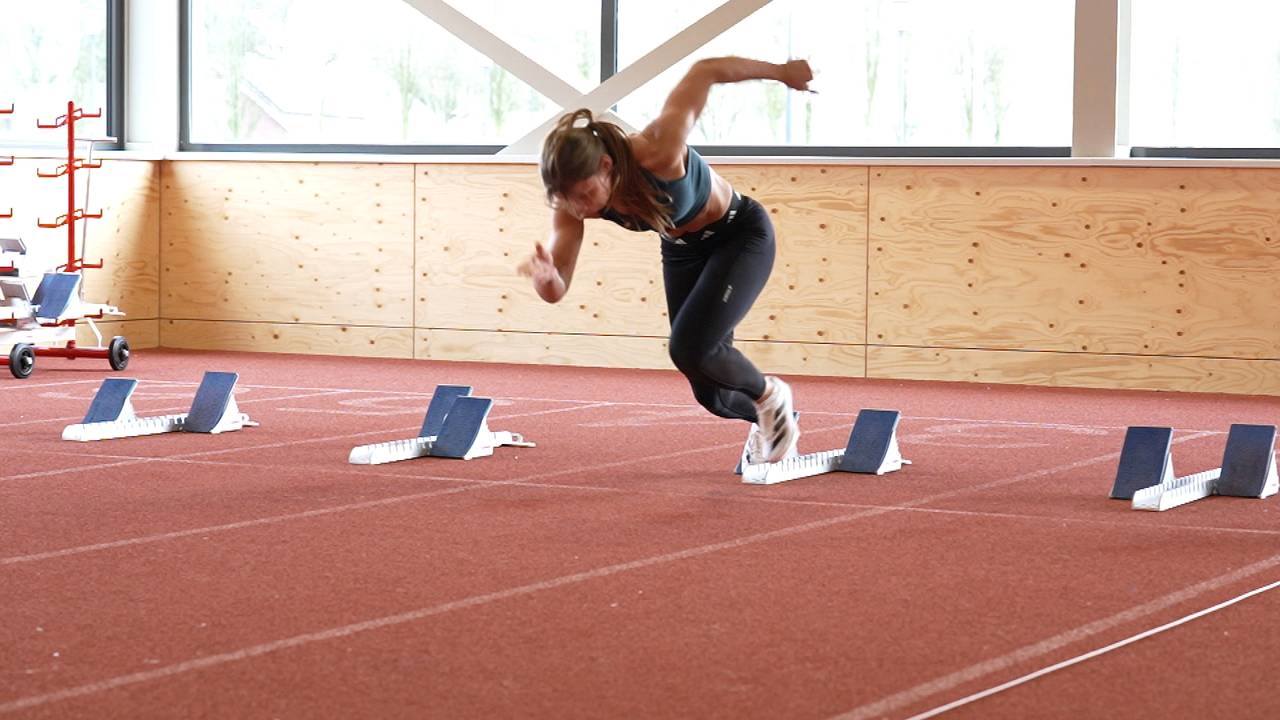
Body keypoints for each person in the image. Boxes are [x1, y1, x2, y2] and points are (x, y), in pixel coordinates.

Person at [518, 56, 812, 464]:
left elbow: (706, 70)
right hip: (682, 250)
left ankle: (770, 395)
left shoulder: (659, 149)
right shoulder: (570, 202)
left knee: (690, 348)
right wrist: (546, 276)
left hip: (739, 234)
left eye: (585, 195)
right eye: (566, 199)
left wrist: (781, 73)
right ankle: (773, 418)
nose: (578, 208)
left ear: (606, 166)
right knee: (710, 391)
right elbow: (556, 290)